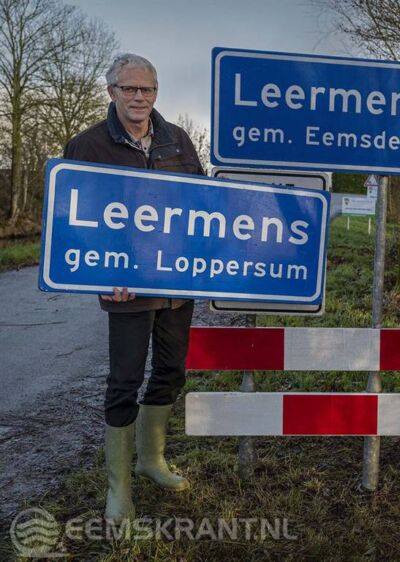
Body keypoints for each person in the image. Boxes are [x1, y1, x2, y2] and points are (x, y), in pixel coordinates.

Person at [63, 53, 205, 523]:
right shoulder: (88, 146)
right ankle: (118, 488)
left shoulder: (178, 141)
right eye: (129, 89)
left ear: (156, 94)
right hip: (123, 285)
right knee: (124, 379)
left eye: (147, 89)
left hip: (176, 283)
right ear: (111, 93)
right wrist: (104, 272)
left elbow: (202, 208)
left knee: (171, 369)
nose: (139, 97)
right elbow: (74, 221)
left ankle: (151, 461)